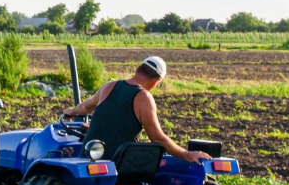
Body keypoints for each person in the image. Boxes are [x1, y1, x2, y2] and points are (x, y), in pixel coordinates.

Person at [61, 55, 210, 163]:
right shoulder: (144, 97)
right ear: (156, 82)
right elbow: (157, 138)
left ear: (138, 69)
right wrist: (186, 154)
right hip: (120, 166)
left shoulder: (109, 86)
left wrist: (72, 111)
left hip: (89, 161)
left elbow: (86, 107)